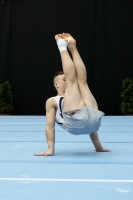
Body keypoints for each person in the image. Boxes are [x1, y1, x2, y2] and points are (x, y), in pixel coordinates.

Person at [34, 33, 111, 156]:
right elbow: (50, 126)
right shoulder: (52, 101)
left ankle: (71, 47)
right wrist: (50, 149)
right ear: (56, 85)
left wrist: (99, 147)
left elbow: (90, 125)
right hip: (74, 122)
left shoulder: (76, 94)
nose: (66, 80)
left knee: (82, 82)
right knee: (75, 82)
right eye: (63, 79)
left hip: (94, 120)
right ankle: (64, 47)